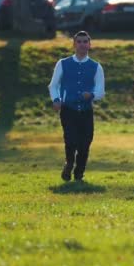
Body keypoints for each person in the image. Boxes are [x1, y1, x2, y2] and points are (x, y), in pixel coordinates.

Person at [48, 31, 105, 182]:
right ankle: (69, 163)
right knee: (71, 140)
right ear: (74, 44)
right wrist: (56, 100)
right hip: (68, 109)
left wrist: (92, 95)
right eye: (79, 41)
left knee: (85, 142)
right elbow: (53, 85)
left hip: (86, 111)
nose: (82, 44)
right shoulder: (63, 63)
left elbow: (100, 91)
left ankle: (79, 172)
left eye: (85, 41)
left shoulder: (96, 67)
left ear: (89, 45)